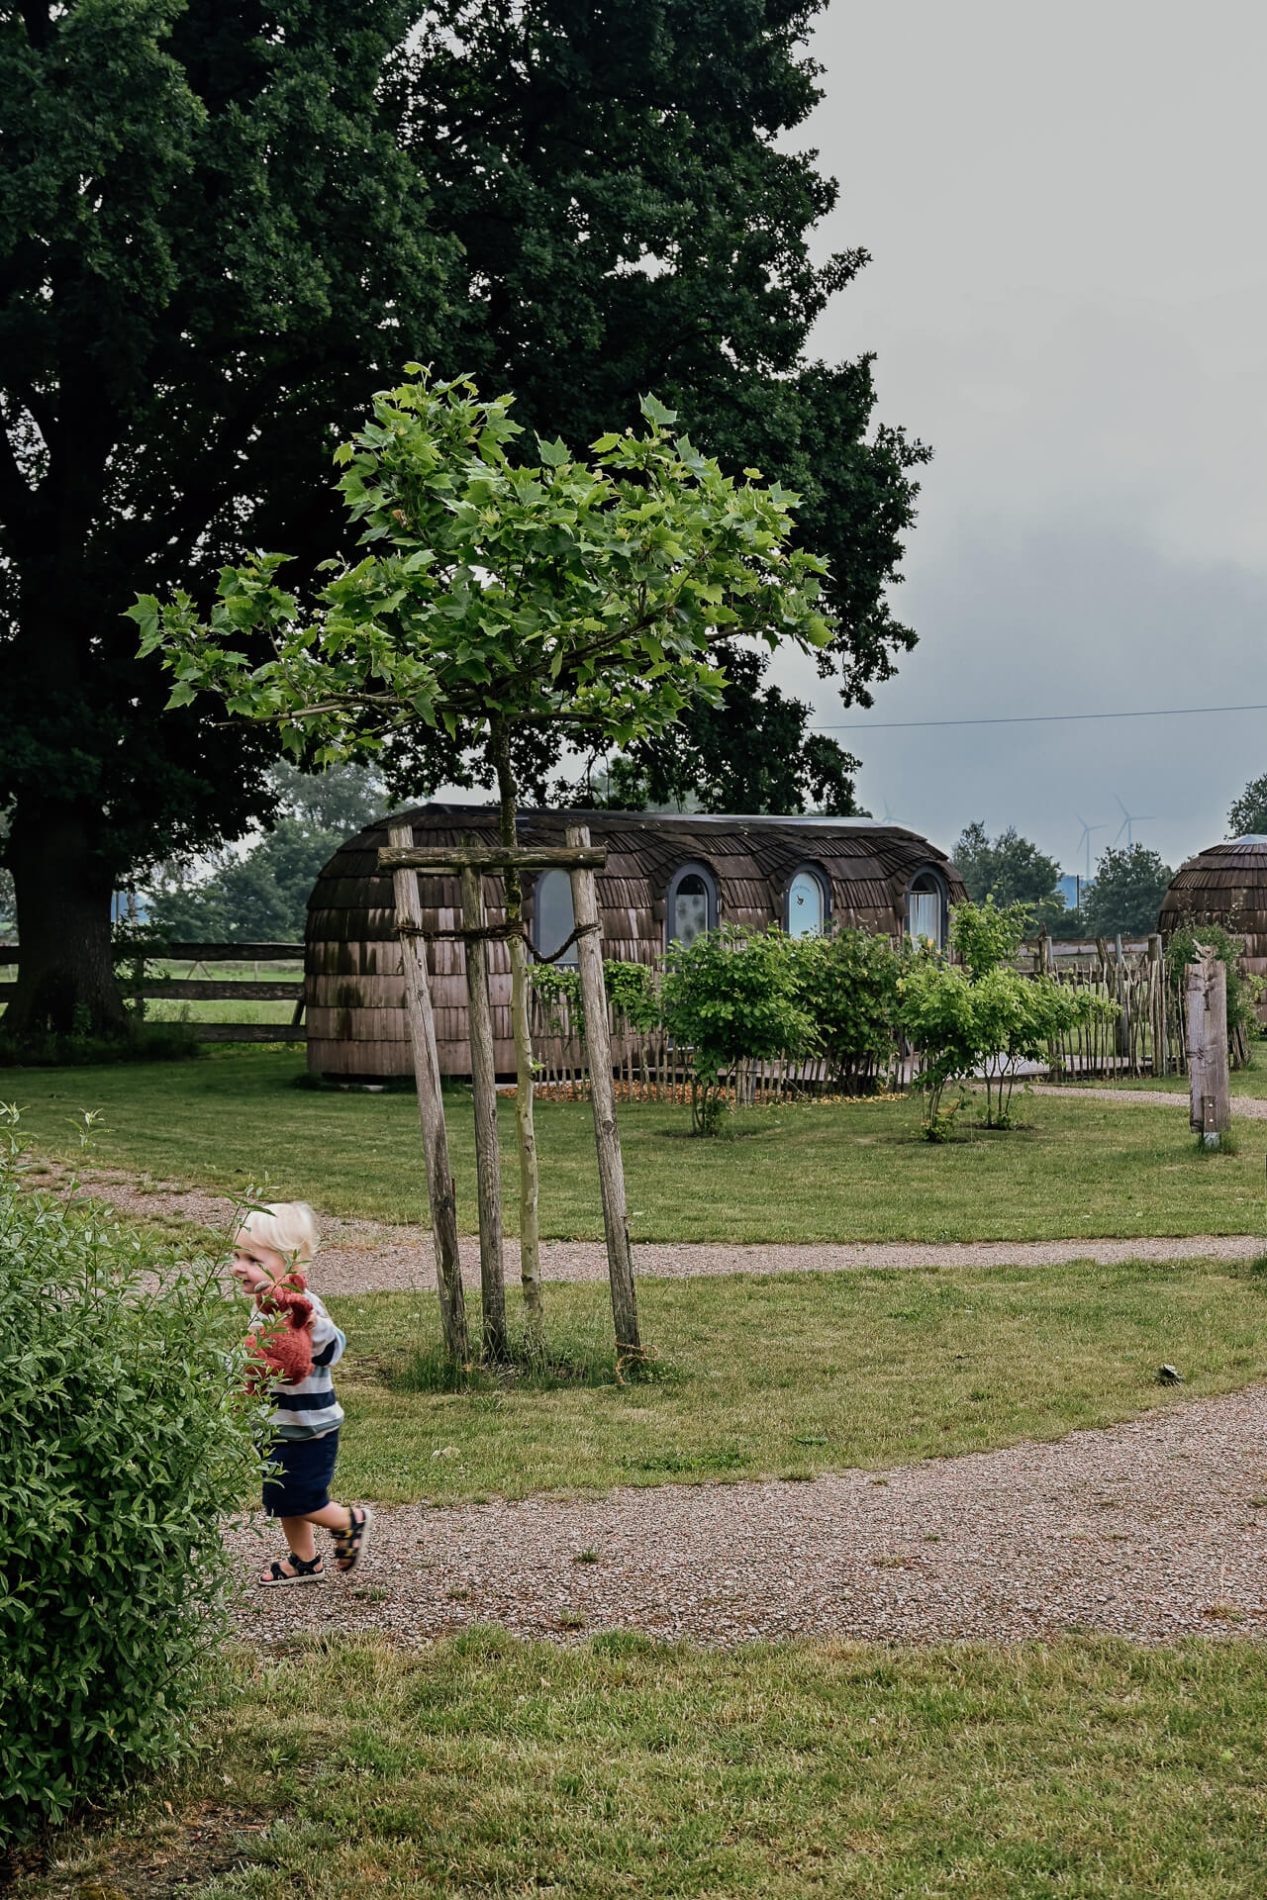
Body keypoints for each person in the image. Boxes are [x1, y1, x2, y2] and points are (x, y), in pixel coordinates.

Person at [231, 1201, 371, 1586]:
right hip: (277, 1424)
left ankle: (349, 1520)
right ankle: (305, 1560)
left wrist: (310, 1323)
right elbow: (257, 1359)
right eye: (237, 1256)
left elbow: (333, 1349)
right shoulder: (263, 1309)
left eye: (253, 1259)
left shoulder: (303, 1306)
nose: (239, 1266)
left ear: (290, 1262)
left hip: (310, 1426)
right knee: (282, 1495)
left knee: (301, 1497)